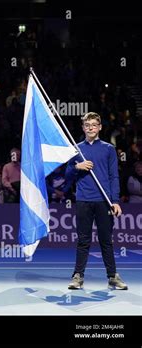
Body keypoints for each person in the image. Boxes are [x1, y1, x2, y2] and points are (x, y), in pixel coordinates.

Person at [66, 112, 127, 290]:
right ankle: (78, 276)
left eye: (94, 124)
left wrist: (115, 200)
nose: (91, 127)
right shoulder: (76, 149)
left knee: (106, 240)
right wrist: (77, 166)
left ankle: (112, 276)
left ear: (100, 127)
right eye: (87, 125)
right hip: (83, 200)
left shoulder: (108, 149)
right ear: (83, 128)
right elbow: (67, 175)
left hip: (104, 201)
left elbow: (114, 176)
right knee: (83, 240)